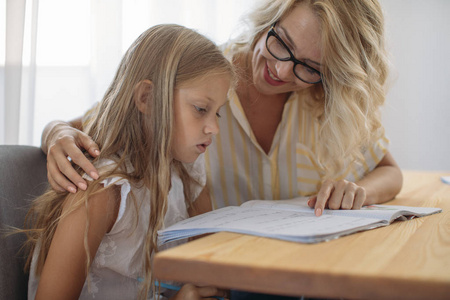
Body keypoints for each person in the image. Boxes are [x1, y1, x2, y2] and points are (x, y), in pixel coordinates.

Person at [41, 0, 402, 218]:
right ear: (270, 18)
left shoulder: (327, 104)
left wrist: (360, 191)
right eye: (282, 43)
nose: (281, 70)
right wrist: (55, 133)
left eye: (309, 67)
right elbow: (84, 125)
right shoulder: (197, 77)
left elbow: (390, 172)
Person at [23, 24, 233, 300]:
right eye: (201, 109)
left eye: (217, 113)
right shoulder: (102, 193)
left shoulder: (187, 172)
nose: (213, 128)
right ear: (146, 98)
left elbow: (211, 271)